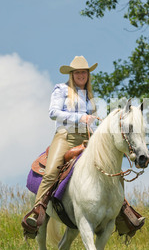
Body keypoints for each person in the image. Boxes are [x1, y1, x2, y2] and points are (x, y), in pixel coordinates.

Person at [22, 55, 98, 238]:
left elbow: (92, 121)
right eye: (77, 72)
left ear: (88, 75)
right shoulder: (61, 89)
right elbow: (53, 113)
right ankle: (37, 213)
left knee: (107, 166)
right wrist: (81, 118)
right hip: (65, 137)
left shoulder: (90, 95)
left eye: (84, 72)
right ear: (72, 74)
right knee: (51, 172)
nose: (81, 75)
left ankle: (122, 214)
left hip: (87, 138)